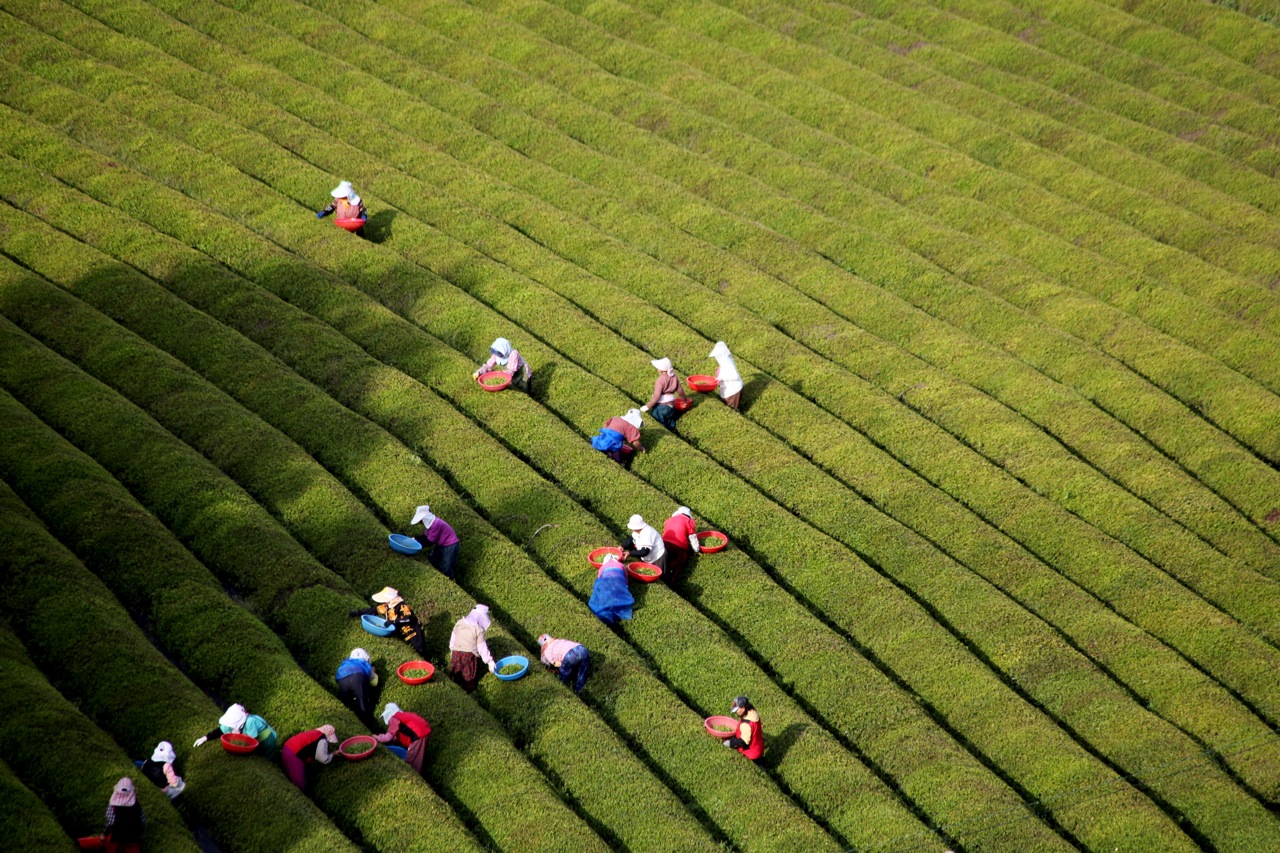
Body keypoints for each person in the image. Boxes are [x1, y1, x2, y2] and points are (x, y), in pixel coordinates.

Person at [349, 587, 427, 657]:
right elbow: (373, 610)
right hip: (402, 636)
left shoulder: (401, 606)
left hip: (414, 635)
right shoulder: (387, 606)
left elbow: (409, 619)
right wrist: (357, 613)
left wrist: (394, 621)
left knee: (421, 654)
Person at [193, 703, 278, 756]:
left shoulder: (250, 722)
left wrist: (240, 735)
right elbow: (220, 731)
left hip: (267, 739)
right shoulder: (230, 724)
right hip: (257, 739)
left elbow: (252, 742)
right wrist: (205, 738)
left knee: (267, 756)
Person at [448, 604, 496, 694]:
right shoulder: (478, 630)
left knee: (455, 673)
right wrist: (489, 661)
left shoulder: (460, 622)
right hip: (468, 657)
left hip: (456, 653)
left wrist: (452, 649)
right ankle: (469, 694)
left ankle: (453, 691)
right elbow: (482, 647)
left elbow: (453, 637)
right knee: (468, 678)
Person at [374, 703, 432, 774]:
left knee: (412, 761)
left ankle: (413, 777)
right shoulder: (403, 716)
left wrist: (376, 738)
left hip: (418, 737)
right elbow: (398, 736)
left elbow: (388, 737)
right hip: (425, 732)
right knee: (418, 758)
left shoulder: (394, 718)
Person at [281, 725, 338, 792]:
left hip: (287, 748)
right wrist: (333, 754)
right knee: (300, 785)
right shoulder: (322, 740)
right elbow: (322, 758)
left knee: (290, 776)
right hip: (294, 754)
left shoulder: (315, 732)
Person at [411, 504, 460, 579]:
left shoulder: (436, 524)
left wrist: (416, 544)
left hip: (450, 545)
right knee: (433, 560)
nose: (420, 523)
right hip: (441, 544)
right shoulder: (429, 525)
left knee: (446, 567)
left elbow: (429, 541)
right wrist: (414, 539)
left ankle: (449, 580)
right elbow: (425, 536)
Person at [335, 648, 379, 728]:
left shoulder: (346, 662)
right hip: (357, 678)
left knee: (345, 705)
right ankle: (368, 727)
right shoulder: (365, 663)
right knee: (363, 705)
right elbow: (374, 682)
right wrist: (373, 671)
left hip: (341, 679)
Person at [640, 357, 690, 430]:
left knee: (660, 424)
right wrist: (684, 401)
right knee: (670, 422)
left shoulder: (660, 380)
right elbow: (680, 391)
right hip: (671, 406)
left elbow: (656, 397)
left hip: (661, 407)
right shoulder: (674, 377)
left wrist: (647, 407)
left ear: (661, 369)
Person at [100, 777, 145, 852]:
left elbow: (110, 823)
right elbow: (142, 822)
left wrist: (104, 834)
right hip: (133, 840)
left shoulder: (113, 806)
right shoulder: (137, 806)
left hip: (116, 839)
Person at [588, 553, 634, 625]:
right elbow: (626, 580)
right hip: (619, 581)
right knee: (618, 595)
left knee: (604, 594)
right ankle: (616, 610)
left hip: (606, 582)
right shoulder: (621, 565)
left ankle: (606, 612)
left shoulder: (602, 568)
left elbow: (600, 579)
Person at [661, 506, 701, 583]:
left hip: (664, 543)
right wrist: (696, 550)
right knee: (679, 563)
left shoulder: (670, 520)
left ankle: (662, 576)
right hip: (679, 546)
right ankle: (672, 581)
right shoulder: (689, 521)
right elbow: (693, 537)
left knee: (665, 560)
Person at [724, 696, 763, 761]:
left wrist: (730, 743)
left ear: (743, 708)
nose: (736, 712)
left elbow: (744, 741)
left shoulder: (746, 725)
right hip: (759, 748)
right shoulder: (753, 712)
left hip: (750, 754)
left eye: (737, 710)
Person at [708, 341, 744, 411]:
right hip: (729, 389)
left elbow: (735, 376)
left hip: (733, 391)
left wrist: (721, 378)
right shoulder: (725, 361)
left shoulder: (728, 362)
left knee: (731, 410)